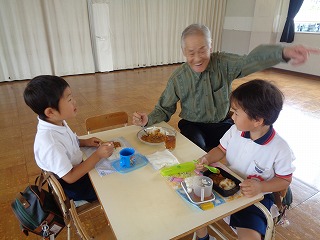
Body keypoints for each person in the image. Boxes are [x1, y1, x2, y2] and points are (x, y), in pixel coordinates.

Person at [132, 23, 320, 152]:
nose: (197, 58)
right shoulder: (178, 78)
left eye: (202, 50)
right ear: (183, 52)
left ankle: (277, 190)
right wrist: (147, 119)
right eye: (191, 53)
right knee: (197, 148)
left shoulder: (223, 63)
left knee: (249, 148)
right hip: (193, 126)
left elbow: (250, 61)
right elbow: (164, 108)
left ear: (210, 46)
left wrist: (283, 52)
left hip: (223, 123)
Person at [194, 79, 296, 240]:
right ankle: (203, 237)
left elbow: (284, 180)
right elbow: (221, 149)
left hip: (254, 198)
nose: (232, 116)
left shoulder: (280, 149)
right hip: (224, 186)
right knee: (194, 202)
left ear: (258, 120)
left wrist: (261, 186)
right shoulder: (235, 130)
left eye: (236, 112)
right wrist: (207, 158)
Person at [24, 75, 114, 202]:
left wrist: (84, 142)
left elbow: (69, 141)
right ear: (50, 112)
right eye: (69, 99)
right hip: (74, 186)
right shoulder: (51, 143)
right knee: (114, 181)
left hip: (77, 169)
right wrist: (98, 155)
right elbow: (70, 177)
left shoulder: (56, 121)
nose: (74, 101)